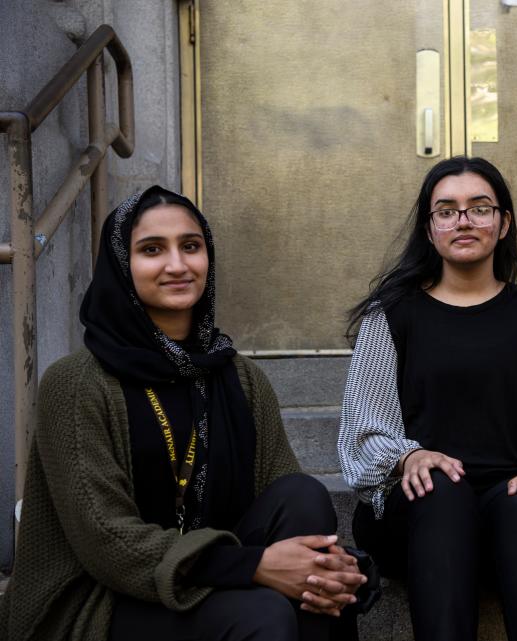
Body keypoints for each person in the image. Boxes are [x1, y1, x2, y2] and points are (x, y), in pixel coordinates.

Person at [0, 186, 374, 641]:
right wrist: (252, 565)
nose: (177, 265)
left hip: (209, 579)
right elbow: (107, 541)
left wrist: (338, 567)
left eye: (191, 246)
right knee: (263, 614)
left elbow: (284, 496)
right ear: (120, 266)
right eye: (152, 250)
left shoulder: (240, 376)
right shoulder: (77, 383)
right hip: (102, 600)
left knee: (303, 497)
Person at [338, 156, 517, 641]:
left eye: (479, 208)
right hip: (419, 519)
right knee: (441, 489)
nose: (463, 220)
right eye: (447, 210)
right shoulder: (392, 315)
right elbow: (364, 434)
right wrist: (411, 456)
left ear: (503, 223)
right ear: (429, 228)